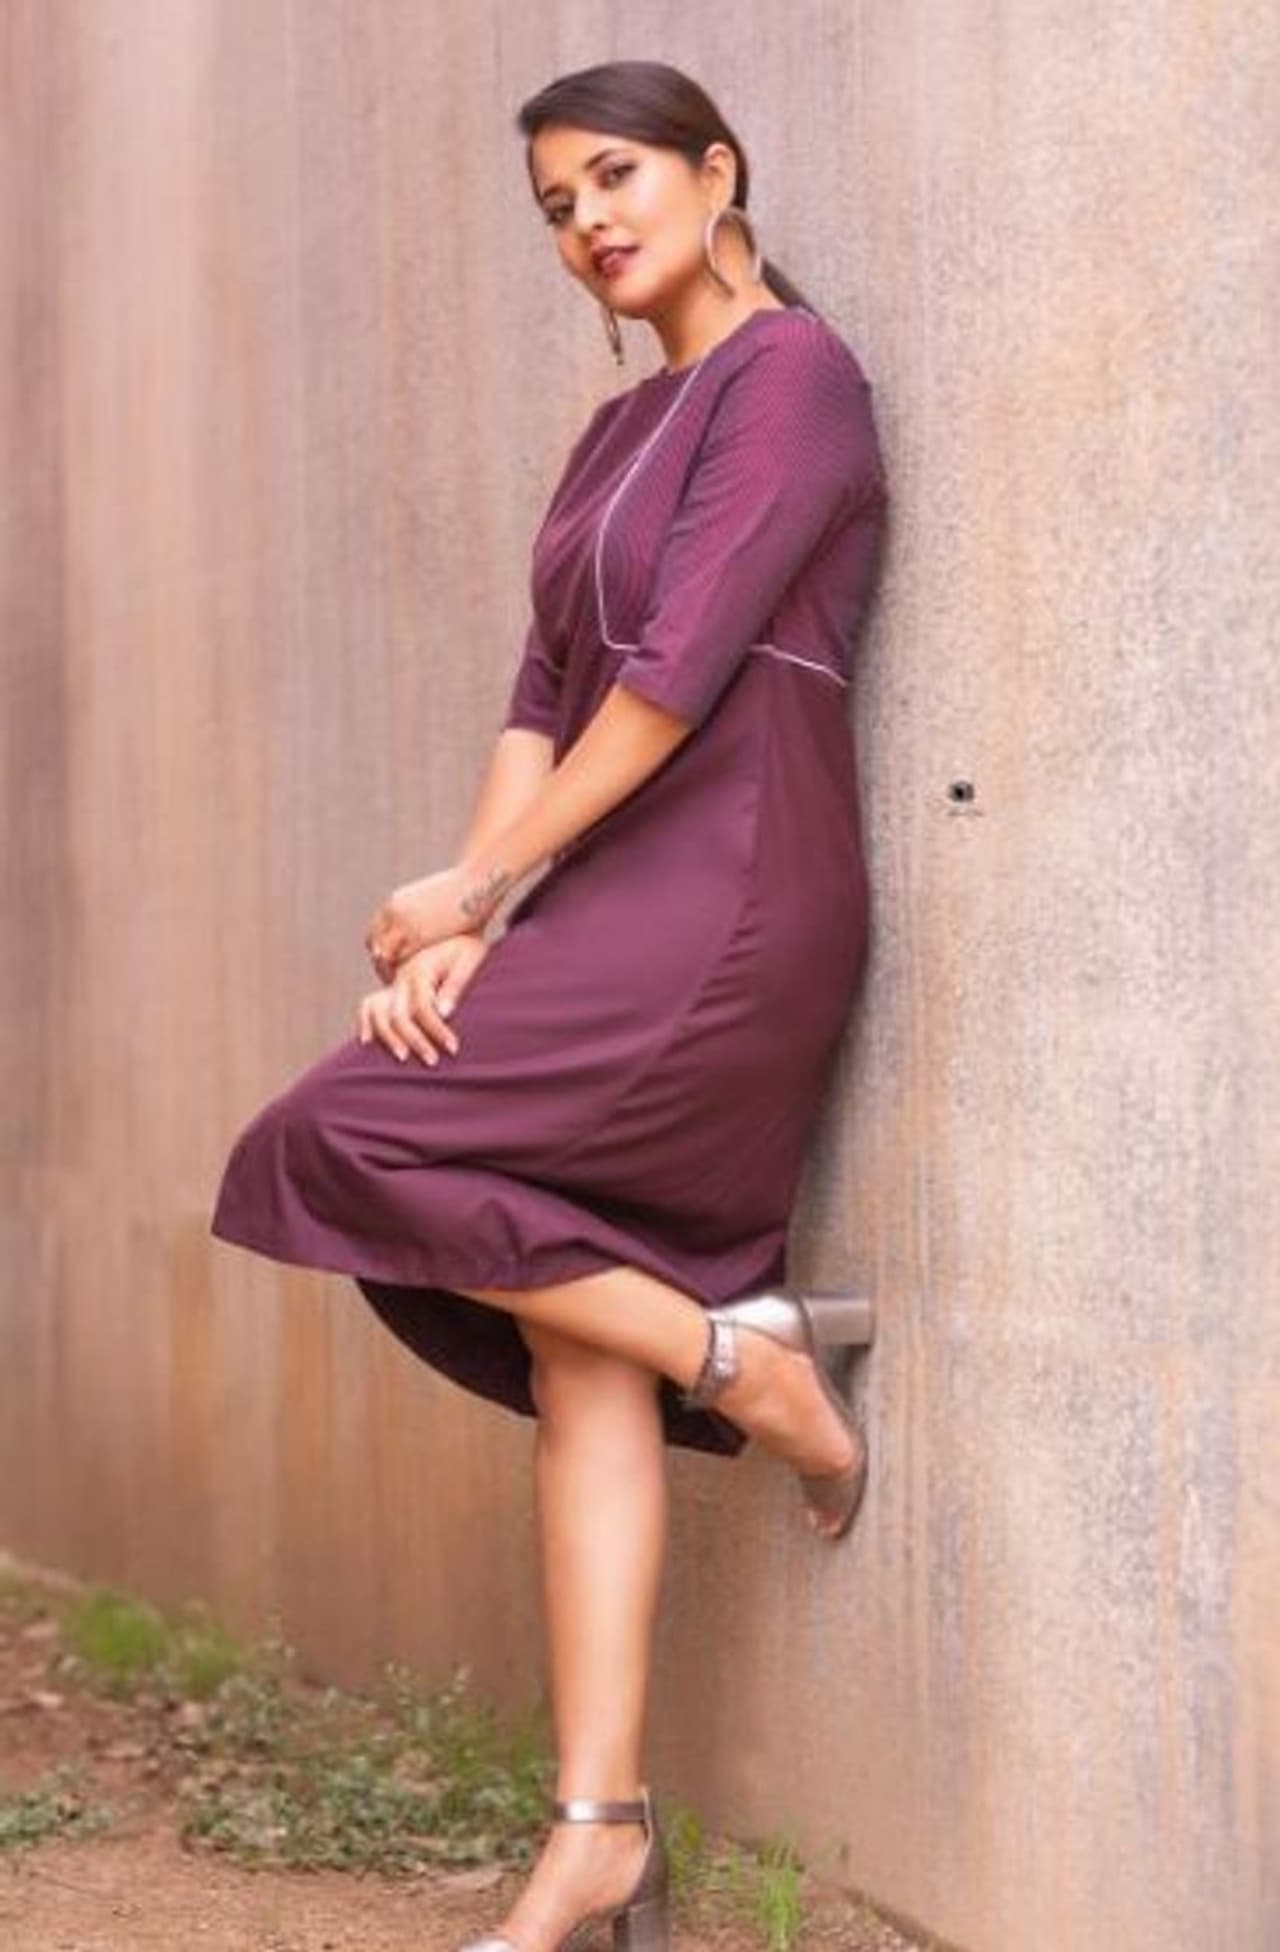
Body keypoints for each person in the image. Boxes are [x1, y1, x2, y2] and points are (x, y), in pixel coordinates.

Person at [209, 57, 889, 1952]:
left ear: (716, 173)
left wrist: (486, 888)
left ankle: (743, 1366)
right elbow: (543, 691)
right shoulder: (614, 432)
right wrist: (467, 921)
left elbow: (672, 680)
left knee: (333, 1139)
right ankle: (599, 1830)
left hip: (735, 885)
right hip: (598, 891)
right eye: (557, 205)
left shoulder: (794, 380)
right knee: (575, 1342)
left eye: (615, 178)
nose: (589, 221)